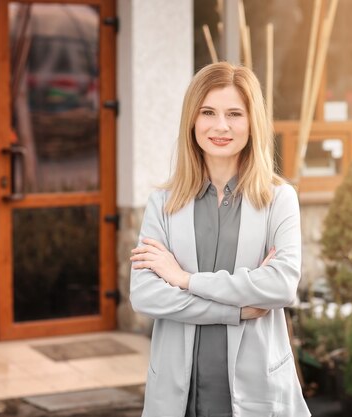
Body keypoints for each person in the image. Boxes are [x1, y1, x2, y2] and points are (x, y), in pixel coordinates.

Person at [129, 62, 310, 417]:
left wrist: (184, 280)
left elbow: (281, 286)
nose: (221, 126)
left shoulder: (279, 199)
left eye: (234, 114)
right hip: (179, 400)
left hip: (257, 394)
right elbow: (145, 294)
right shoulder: (162, 205)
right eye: (208, 112)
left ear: (251, 122)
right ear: (192, 121)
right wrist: (235, 310)